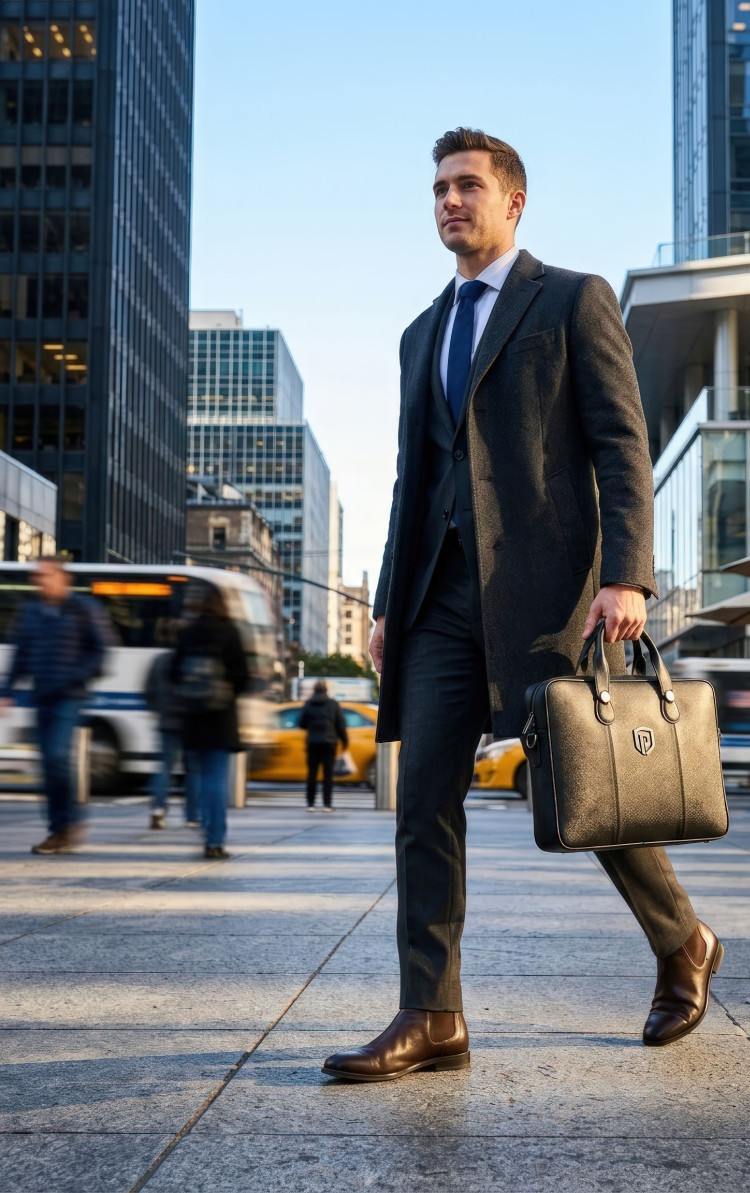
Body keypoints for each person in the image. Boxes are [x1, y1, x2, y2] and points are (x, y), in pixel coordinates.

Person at [322, 129, 722, 1083]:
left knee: (585, 791)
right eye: (438, 190)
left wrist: (628, 574)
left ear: (514, 202)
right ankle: (433, 1014)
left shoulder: (572, 300)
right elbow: (410, 479)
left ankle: (683, 941)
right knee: (423, 801)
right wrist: (385, 605)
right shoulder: (423, 331)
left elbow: (624, 446)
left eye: (466, 186)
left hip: (552, 599)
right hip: (434, 600)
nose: (448, 203)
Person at [0, 556, 109, 855]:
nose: (40, 581)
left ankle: (69, 822)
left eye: (46, 576)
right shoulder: (32, 611)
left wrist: (75, 678)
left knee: (58, 758)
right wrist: (6, 690)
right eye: (37, 576)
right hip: (42, 696)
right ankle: (59, 829)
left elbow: (99, 652)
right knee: (48, 765)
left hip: (70, 697)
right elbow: (21, 652)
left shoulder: (83, 609)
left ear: (63, 579)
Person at [171, 585, 249, 859]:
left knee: (199, 777)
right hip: (220, 717)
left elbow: (173, 673)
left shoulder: (187, 632)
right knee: (216, 779)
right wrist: (226, 696)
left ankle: (204, 827)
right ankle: (215, 840)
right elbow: (242, 676)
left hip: (193, 716)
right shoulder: (229, 632)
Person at [144, 629, 200, 829]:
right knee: (192, 770)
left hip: (166, 720)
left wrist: (157, 710)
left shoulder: (160, 660)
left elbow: (148, 689)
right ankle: (192, 815)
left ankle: (158, 808)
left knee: (164, 767)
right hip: (190, 722)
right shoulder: (193, 662)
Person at [299, 681, 348, 812]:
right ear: (326, 690)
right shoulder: (333, 704)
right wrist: (345, 742)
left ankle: (310, 804)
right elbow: (340, 725)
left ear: (314, 690)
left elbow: (301, 723)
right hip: (329, 743)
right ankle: (327, 804)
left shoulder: (308, 704)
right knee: (328, 775)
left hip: (313, 742)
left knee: (312, 774)